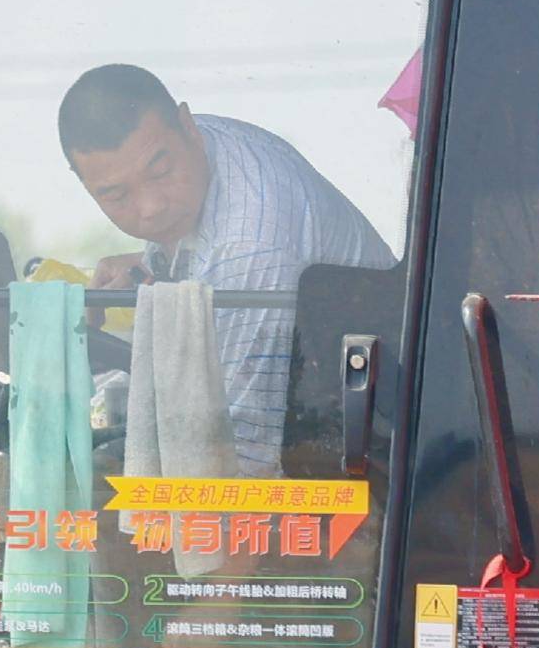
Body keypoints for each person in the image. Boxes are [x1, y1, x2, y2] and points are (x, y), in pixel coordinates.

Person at [55, 62, 383, 474]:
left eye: (160, 171)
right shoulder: (199, 148)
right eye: (116, 195)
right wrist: (152, 265)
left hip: (371, 446)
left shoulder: (251, 240)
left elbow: (244, 458)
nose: (150, 208)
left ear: (188, 126)